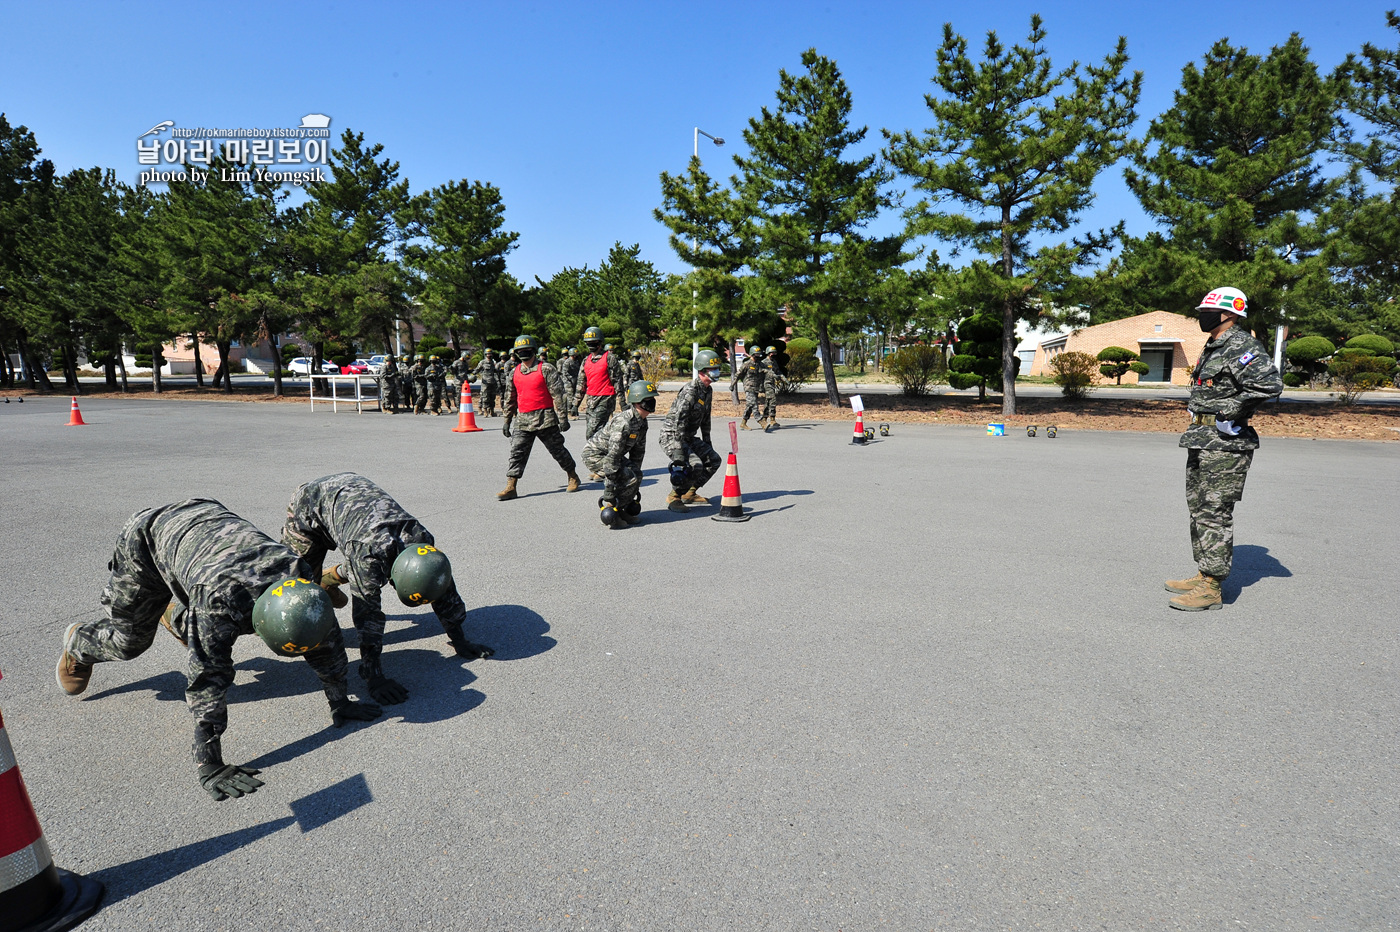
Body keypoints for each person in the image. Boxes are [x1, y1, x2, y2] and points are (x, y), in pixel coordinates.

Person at [55, 499, 380, 801]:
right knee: (131, 641)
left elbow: (326, 640)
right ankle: (79, 645)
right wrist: (209, 763)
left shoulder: (299, 578)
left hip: (207, 523)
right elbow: (208, 678)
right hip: (147, 539)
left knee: (201, 628)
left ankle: (179, 614)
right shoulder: (219, 602)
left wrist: (340, 700)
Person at [281, 472, 493, 705]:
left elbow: (442, 587)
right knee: (298, 585)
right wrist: (374, 676)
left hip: (353, 501)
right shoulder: (367, 555)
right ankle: (322, 582)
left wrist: (459, 639)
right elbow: (367, 615)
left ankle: (330, 579)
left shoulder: (422, 541)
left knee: (364, 568)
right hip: (312, 501)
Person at [1166, 287, 1283, 611]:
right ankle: (1205, 573)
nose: (1201, 316)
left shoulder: (1241, 345)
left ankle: (1212, 589)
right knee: (1200, 509)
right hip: (1203, 439)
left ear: (1229, 314)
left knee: (1215, 512)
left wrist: (1232, 409)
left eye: (1207, 311)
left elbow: (1269, 384)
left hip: (1226, 445)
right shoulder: (1215, 343)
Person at [498, 334, 581, 501]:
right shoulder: (514, 372)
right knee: (516, 453)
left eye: (527, 350)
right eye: (520, 351)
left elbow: (558, 395)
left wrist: (563, 419)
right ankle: (511, 486)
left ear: (534, 350)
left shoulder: (546, 369)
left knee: (558, 451)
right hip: (522, 420)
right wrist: (506, 420)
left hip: (546, 418)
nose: (523, 354)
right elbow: (510, 398)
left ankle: (572, 476)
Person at [583, 380, 657, 528]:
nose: (652, 403)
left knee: (635, 475)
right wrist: (609, 490)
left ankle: (622, 509)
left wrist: (635, 480)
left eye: (652, 399)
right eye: (647, 400)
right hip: (596, 455)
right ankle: (612, 512)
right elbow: (612, 457)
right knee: (624, 475)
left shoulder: (642, 422)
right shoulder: (623, 423)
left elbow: (638, 453)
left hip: (610, 455)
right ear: (637, 402)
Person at [660, 348, 725, 513]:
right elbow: (679, 420)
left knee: (714, 460)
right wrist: (680, 450)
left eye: (717, 368)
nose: (717, 372)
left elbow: (705, 419)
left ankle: (689, 492)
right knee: (695, 465)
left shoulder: (707, 390)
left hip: (688, 436)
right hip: (673, 436)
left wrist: (707, 442)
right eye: (713, 369)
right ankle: (674, 496)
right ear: (702, 371)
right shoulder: (691, 390)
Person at [575, 326, 627, 444]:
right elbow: (581, 384)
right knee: (596, 433)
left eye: (593, 342)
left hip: (605, 398)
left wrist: (622, 402)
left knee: (592, 432)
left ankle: (601, 456)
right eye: (588, 343)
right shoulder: (586, 360)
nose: (591, 345)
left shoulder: (609, 358)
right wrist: (575, 404)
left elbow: (617, 381)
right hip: (591, 401)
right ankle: (608, 452)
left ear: (599, 342)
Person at [732, 347, 765, 430]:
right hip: (748, 386)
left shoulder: (759, 364)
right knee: (754, 404)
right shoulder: (747, 364)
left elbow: (767, 371)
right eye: (756, 355)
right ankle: (761, 421)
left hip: (756, 387)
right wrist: (733, 384)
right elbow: (738, 374)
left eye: (758, 355)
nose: (757, 356)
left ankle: (743, 422)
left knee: (750, 405)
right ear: (752, 354)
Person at [473, 349, 502, 417]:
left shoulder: (493, 362)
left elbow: (495, 371)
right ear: (485, 354)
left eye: (490, 354)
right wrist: (472, 374)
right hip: (485, 383)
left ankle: (491, 411)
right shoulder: (482, 362)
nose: (489, 355)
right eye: (488, 354)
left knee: (492, 397)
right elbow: (477, 370)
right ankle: (485, 411)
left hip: (492, 382)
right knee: (485, 397)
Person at [760, 345, 783, 430]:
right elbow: (760, 373)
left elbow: (777, 371)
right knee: (773, 399)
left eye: (774, 353)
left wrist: (782, 378)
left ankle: (765, 418)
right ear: (768, 353)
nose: (774, 354)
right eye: (772, 352)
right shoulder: (764, 362)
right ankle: (772, 419)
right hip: (766, 383)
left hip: (772, 383)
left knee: (768, 401)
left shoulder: (774, 362)